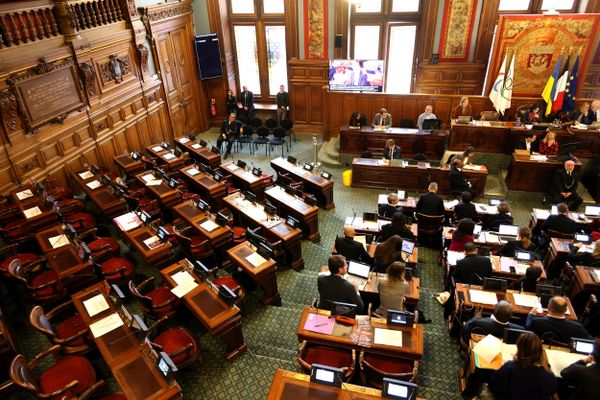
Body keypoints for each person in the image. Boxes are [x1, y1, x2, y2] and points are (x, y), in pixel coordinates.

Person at [489, 332, 557, 400]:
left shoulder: (509, 367)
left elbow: (493, 383)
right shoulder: (549, 376)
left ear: (519, 348)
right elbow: (551, 391)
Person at [526, 296, 592, 344]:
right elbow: (590, 340)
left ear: (549, 308)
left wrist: (531, 314)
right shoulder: (577, 327)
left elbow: (528, 327)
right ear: (566, 310)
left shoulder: (537, 322)